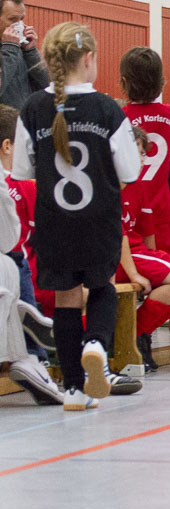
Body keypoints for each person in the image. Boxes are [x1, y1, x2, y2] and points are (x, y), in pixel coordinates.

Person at [12, 22, 142, 409]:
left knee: (66, 299)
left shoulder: (33, 108)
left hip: (54, 222)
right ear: (89, 59)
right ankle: (97, 345)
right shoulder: (107, 109)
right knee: (102, 286)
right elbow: (131, 171)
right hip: (99, 218)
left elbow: (21, 169)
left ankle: (72, 389)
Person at [118, 127, 170, 372]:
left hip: (137, 252)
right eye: (136, 153)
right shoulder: (109, 186)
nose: (141, 159)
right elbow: (118, 238)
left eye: (143, 154)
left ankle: (141, 331)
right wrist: (135, 274)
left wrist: (157, 267)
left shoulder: (138, 185)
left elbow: (147, 232)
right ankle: (132, 335)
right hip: (117, 256)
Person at [1, 171, 62, 405]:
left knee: (10, 267)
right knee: (13, 260)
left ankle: (30, 354)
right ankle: (32, 357)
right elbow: (9, 237)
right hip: (23, 266)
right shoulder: (19, 185)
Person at [120, 47, 170, 251]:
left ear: (125, 82)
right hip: (163, 208)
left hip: (133, 209)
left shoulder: (121, 117)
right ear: (161, 82)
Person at [0, 0, 49, 110]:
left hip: (27, 119)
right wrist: (9, 48)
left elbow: (49, 86)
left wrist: (30, 51)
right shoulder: (11, 49)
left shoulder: (20, 48)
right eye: (12, 19)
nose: (19, 25)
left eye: (21, 19)